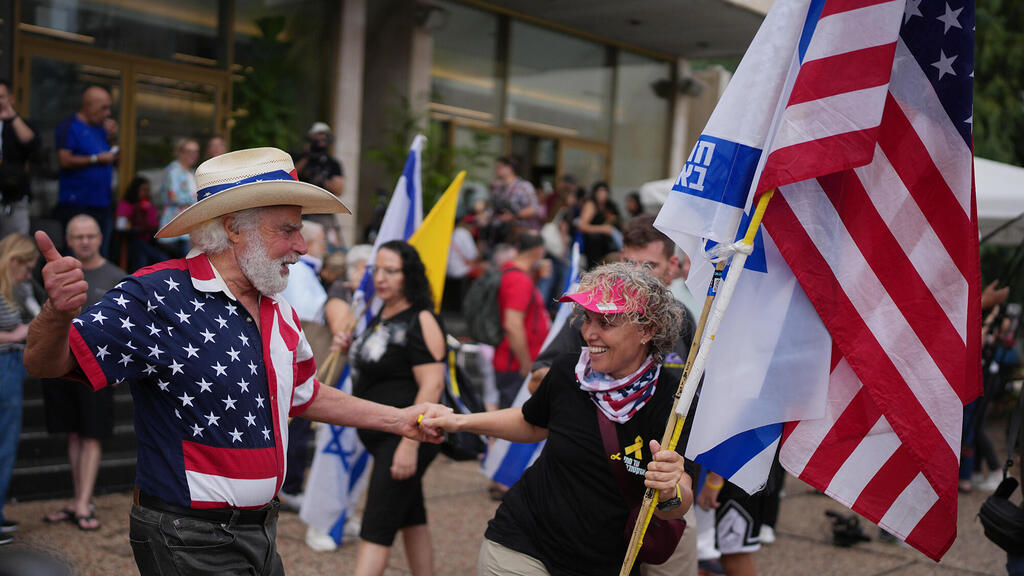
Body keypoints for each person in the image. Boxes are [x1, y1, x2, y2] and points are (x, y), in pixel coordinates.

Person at [23, 147, 446, 575]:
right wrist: (56, 314)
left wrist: (399, 420)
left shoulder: (279, 311)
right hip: (186, 534)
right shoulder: (155, 294)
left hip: (261, 530)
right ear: (233, 228)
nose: (301, 246)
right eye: (288, 230)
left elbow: (303, 395)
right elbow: (45, 364)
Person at [425, 262, 692, 575]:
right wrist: (459, 421)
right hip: (522, 542)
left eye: (604, 322)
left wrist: (670, 490)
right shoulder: (569, 371)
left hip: (605, 561)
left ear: (646, 330)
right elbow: (532, 424)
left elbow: (679, 501)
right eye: (586, 319)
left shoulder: (672, 400)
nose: (589, 333)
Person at [528, 214, 699, 576]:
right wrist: (594, 379)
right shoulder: (595, 317)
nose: (637, 274)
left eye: (648, 266)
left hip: (668, 477)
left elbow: (699, 393)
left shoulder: (683, 319)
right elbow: (539, 379)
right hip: (607, 479)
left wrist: (705, 480)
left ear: (672, 267)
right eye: (629, 264)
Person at [331, 240, 446, 576]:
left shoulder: (422, 318)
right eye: (376, 270)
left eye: (391, 271)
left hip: (406, 437)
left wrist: (409, 445)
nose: (380, 278)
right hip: (385, 435)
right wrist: (351, 345)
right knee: (411, 517)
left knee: (376, 526)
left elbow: (432, 385)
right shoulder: (380, 313)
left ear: (408, 275)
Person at [40, 214, 125, 531]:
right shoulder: (56, 274)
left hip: (98, 370)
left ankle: (84, 503)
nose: (85, 241)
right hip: (63, 367)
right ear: (69, 240)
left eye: (90, 235)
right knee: (74, 434)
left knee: (91, 435)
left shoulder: (117, 276)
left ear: (100, 237)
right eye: (78, 237)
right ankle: (78, 499)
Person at [0, 234, 39, 545]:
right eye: (27, 268)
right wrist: (17, 334)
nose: (28, 275)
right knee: (4, 445)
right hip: (5, 368)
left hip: (11, 368)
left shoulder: (11, 288)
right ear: (14, 261)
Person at [54, 86, 119, 257]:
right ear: (88, 105)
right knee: (75, 255)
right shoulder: (70, 126)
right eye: (103, 108)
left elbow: (115, 158)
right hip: (77, 203)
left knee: (99, 254)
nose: (107, 113)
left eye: (109, 108)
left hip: (102, 203)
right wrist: (95, 159)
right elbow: (64, 160)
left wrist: (112, 137)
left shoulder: (101, 128)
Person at [493, 232, 551, 409]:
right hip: (515, 365)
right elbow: (513, 325)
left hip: (512, 361)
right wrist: (526, 365)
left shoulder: (513, 273)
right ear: (539, 251)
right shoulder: (519, 279)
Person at [294, 122, 345, 252]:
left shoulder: (332, 163)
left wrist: (322, 180)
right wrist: (307, 157)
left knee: (330, 245)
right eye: (318, 136)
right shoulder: (301, 158)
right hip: (301, 209)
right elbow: (291, 175)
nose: (321, 140)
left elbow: (339, 189)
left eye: (324, 136)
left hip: (323, 211)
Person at [0, 80, 39, 239]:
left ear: (11, 99)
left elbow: (32, 144)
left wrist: (11, 116)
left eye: (1, 97)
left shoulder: (19, 123)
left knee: (16, 248)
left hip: (14, 200)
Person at [156, 138, 200, 258]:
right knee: (186, 264)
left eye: (196, 152)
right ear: (180, 152)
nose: (193, 155)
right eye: (189, 151)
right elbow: (173, 196)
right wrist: (197, 198)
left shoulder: (191, 172)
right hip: (176, 226)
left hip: (188, 226)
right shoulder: (174, 170)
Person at [114, 176, 166, 271]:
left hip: (147, 242)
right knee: (142, 253)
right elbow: (121, 227)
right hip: (128, 243)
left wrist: (147, 212)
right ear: (135, 189)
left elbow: (154, 226)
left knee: (158, 257)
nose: (146, 193)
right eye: (143, 190)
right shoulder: (126, 205)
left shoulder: (149, 206)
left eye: (147, 190)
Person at [488, 156, 540, 245]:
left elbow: (534, 209)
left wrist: (514, 216)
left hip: (519, 232)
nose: (496, 170)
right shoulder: (499, 188)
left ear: (509, 168)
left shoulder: (523, 186)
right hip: (500, 233)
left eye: (499, 167)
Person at [578, 181, 622, 268]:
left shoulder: (608, 206)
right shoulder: (591, 205)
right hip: (593, 246)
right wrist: (603, 229)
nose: (602, 194)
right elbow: (582, 226)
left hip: (605, 246)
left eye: (604, 191)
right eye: (600, 191)